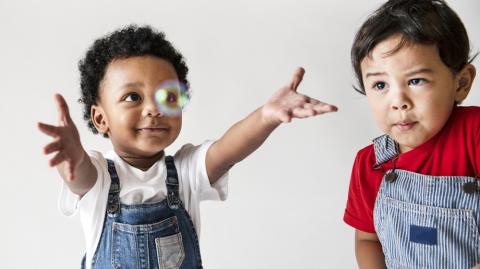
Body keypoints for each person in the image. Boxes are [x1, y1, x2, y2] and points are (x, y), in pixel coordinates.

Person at [37, 25, 337, 269]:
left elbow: (227, 149)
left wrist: (265, 117)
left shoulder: (185, 171)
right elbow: (82, 178)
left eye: (167, 97)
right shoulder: (99, 173)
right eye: (132, 97)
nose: (153, 110)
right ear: (100, 118)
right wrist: (73, 156)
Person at [343, 0, 479, 268]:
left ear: (461, 84)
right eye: (380, 84)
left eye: (415, 81)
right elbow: (367, 240)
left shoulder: (473, 135)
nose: (399, 101)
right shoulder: (369, 164)